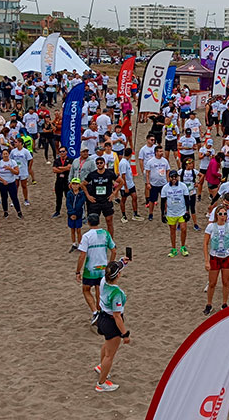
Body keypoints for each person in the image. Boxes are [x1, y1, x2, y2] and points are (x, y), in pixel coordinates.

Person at [94, 260, 130, 392]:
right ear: (118, 275)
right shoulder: (116, 293)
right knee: (110, 355)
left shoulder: (103, 281)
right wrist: (125, 334)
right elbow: (117, 316)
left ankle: (101, 367)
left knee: (106, 344)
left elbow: (113, 271)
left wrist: (123, 262)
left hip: (102, 318)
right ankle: (101, 383)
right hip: (111, 322)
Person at [76, 211, 117, 325]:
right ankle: (101, 312)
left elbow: (82, 255)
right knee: (99, 290)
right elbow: (114, 251)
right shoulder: (105, 234)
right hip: (103, 268)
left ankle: (95, 312)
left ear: (89, 223)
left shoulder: (86, 236)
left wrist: (78, 271)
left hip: (90, 269)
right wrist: (110, 264)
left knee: (86, 290)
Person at [203, 204, 229, 315]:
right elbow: (205, 243)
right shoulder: (211, 227)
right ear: (216, 215)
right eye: (220, 214)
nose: (223, 216)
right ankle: (209, 304)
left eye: (225, 214)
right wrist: (206, 261)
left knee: (226, 282)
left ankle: (224, 303)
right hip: (214, 257)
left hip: (227, 256)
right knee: (212, 283)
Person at [84, 156, 120, 238]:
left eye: (101, 163)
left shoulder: (109, 173)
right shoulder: (92, 174)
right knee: (93, 222)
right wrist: (88, 195)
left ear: (104, 163)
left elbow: (121, 182)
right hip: (95, 201)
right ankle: (94, 239)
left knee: (109, 221)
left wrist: (114, 193)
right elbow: (83, 184)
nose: (99, 164)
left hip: (106, 200)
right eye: (97, 163)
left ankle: (110, 240)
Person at [160, 170, 190, 257]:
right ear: (169, 178)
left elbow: (187, 199)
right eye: (172, 177)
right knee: (172, 231)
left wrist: (187, 211)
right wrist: (162, 214)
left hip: (182, 211)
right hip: (171, 213)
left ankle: (183, 247)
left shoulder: (183, 186)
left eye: (175, 177)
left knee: (183, 229)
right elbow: (163, 202)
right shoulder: (165, 188)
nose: (174, 179)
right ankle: (173, 249)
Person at [0, 149, 23, 219]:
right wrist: (3, 180)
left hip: (11, 183)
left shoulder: (13, 162)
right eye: (4, 154)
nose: (5, 155)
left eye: (6, 154)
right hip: (2, 183)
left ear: (9, 154)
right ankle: (5, 211)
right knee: (4, 198)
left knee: (14, 197)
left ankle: (19, 212)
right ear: (2, 155)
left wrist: (10, 169)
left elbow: (17, 172)